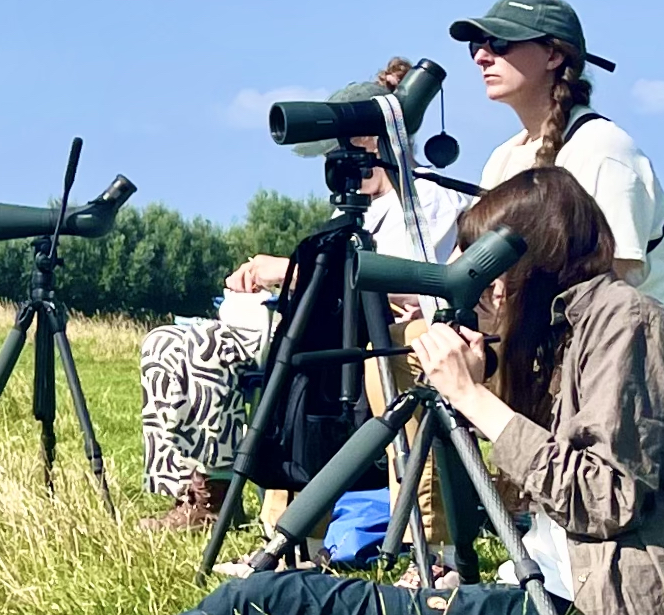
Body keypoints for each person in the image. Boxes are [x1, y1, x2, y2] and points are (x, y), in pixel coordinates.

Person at [0, 166, 664, 615]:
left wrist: (470, 395)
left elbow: (601, 496)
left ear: (528, 263)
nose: (483, 293)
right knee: (326, 606)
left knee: (270, 598)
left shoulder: (623, 324)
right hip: (569, 600)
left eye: (491, 272)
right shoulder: (573, 330)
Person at [136, 64, 455, 525]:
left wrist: (287, 271)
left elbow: (418, 283)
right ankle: (200, 486)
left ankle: (226, 497)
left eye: (340, 146)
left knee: (218, 354)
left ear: (368, 141)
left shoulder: (423, 197)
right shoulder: (357, 206)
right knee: (168, 344)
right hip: (317, 324)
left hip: (371, 332)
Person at [453, 0, 664, 319]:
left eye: (500, 43)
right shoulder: (503, 157)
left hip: (620, 356)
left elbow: (611, 290)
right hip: (535, 346)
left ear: (553, 56)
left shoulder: (604, 150)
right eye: (477, 46)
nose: (481, 57)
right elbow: (463, 268)